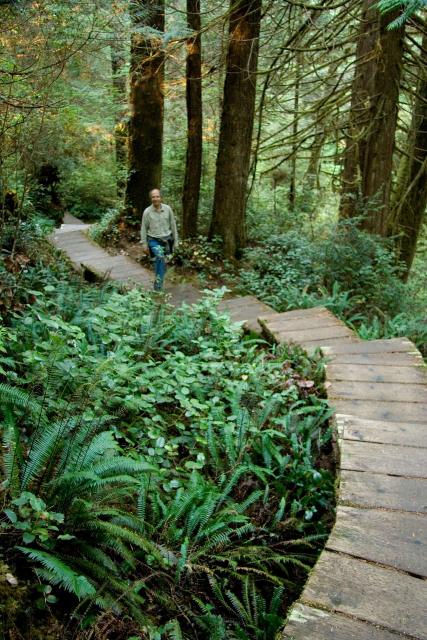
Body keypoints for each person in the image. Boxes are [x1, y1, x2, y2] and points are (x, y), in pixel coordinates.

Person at [140, 188, 179, 291]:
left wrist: (176, 242)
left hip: (167, 240)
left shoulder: (168, 209)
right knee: (160, 256)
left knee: (160, 261)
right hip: (153, 240)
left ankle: (158, 282)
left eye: (157, 196)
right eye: (153, 197)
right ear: (151, 198)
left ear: (161, 198)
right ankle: (158, 287)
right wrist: (144, 244)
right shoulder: (147, 212)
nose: (155, 198)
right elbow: (143, 228)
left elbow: (173, 225)